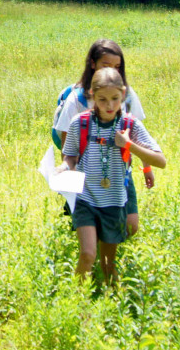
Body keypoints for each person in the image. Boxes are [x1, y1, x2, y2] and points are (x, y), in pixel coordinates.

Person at [61, 67, 166, 285]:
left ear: (123, 94)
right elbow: (69, 156)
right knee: (88, 254)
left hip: (115, 202)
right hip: (85, 198)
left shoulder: (130, 125)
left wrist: (129, 145)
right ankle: (75, 300)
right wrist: (64, 168)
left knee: (108, 263)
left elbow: (160, 160)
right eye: (102, 99)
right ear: (92, 95)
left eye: (115, 99)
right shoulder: (80, 123)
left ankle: (109, 298)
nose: (109, 106)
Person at [53, 38, 154, 237]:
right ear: (92, 63)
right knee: (90, 230)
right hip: (86, 174)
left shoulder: (126, 94)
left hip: (119, 171)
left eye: (118, 67)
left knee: (130, 227)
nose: (113, 72)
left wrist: (147, 167)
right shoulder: (77, 98)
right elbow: (67, 146)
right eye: (106, 65)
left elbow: (138, 135)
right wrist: (67, 176)